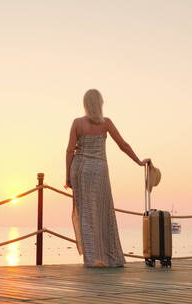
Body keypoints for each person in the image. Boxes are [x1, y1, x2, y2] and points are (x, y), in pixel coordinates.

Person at [65, 89, 150, 267]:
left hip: (79, 168)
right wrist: (138, 162)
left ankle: (92, 259)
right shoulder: (106, 123)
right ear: (100, 103)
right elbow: (123, 145)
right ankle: (109, 256)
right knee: (103, 211)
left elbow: (70, 150)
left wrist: (67, 176)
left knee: (86, 213)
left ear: (85, 104)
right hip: (99, 169)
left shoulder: (77, 123)